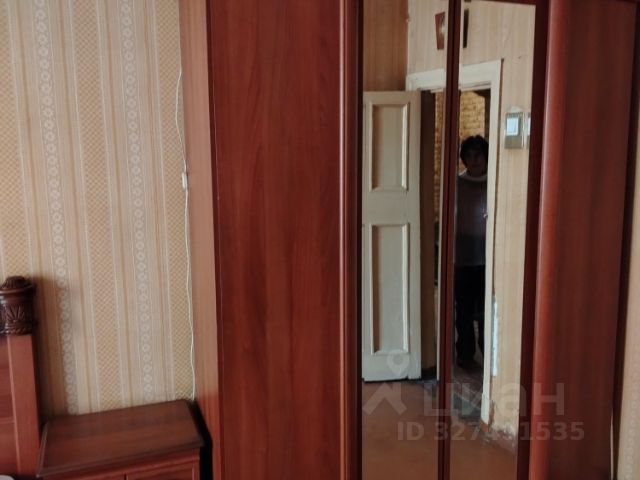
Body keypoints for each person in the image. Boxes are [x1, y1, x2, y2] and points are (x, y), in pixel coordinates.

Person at [454, 135, 488, 370]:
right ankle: (465, 353)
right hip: (463, 255)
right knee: (464, 309)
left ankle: (489, 354)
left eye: (478, 155)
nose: (474, 160)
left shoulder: (494, 181)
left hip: (488, 256)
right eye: (469, 155)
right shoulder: (457, 183)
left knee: (486, 310)